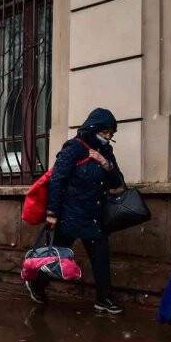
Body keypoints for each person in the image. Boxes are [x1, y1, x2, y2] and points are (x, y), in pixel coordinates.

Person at [26, 108, 125, 315]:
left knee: (101, 257)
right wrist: (52, 212)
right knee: (57, 258)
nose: (108, 137)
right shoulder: (74, 148)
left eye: (111, 134)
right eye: (105, 132)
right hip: (70, 215)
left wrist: (104, 163)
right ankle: (37, 285)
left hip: (95, 216)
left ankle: (103, 299)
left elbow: (118, 183)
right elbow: (57, 180)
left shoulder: (106, 152)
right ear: (94, 128)